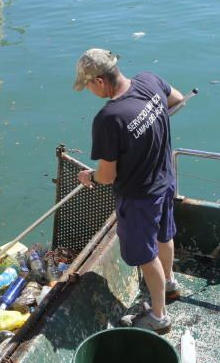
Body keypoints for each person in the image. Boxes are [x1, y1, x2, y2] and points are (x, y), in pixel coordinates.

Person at [73, 49, 184, 332]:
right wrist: (150, 124)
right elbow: (178, 100)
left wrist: (91, 178)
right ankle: (169, 284)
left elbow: (107, 175)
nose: (88, 90)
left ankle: (158, 317)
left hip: (139, 197)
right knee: (164, 234)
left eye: (87, 85)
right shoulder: (149, 80)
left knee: (146, 256)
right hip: (165, 179)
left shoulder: (109, 119)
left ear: (99, 81)